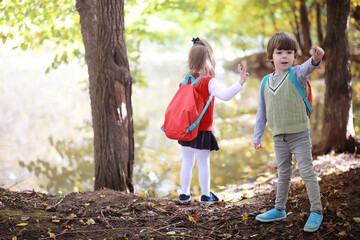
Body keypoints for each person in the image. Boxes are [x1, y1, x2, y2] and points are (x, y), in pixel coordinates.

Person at [253, 32, 325, 232]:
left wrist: (316, 59)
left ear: (294, 56)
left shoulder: (296, 74)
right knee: (283, 173)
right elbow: (262, 111)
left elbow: (308, 67)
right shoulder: (265, 82)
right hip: (278, 137)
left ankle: (317, 211)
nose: (284, 56)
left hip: (299, 134)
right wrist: (257, 136)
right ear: (271, 56)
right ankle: (279, 209)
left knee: (306, 171)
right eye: (279, 52)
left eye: (289, 52)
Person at [178, 37, 248, 204]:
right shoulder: (209, 81)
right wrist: (240, 82)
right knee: (203, 163)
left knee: (186, 162)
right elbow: (225, 96)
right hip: (202, 130)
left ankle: (184, 194)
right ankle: (205, 195)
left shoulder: (185, 80)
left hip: (187, 128)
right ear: (209, 59)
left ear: (191, 59)